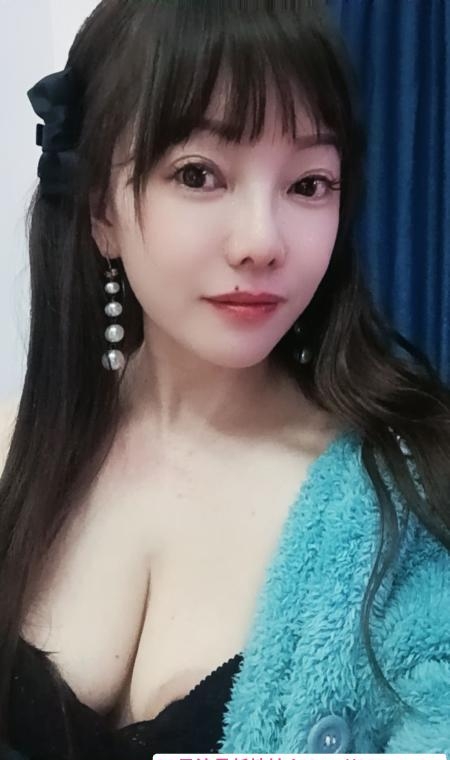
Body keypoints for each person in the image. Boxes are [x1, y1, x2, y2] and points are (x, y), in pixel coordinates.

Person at [0, 0, 449, 758]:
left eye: (309, 184)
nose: (262, 242)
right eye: (199, 174)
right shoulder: (13, 444)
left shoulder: (406, 507)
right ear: (101, 210)